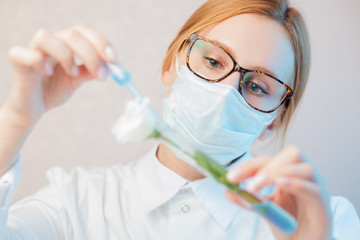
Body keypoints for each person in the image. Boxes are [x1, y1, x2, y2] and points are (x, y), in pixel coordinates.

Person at [0, 0, 359, 239]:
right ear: (170, 65)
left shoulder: (324, 223)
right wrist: (15, 120)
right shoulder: (76, 202)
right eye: (214, 62)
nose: (225, 92)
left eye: (255, 85)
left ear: (273, 122)